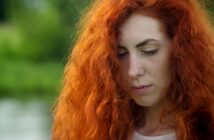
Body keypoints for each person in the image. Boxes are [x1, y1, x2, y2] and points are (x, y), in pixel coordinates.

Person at [52, 0, 214, 140]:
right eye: (121, 54)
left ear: (182, 50)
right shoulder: (98, 128)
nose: (133, 71)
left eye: (149, 51)